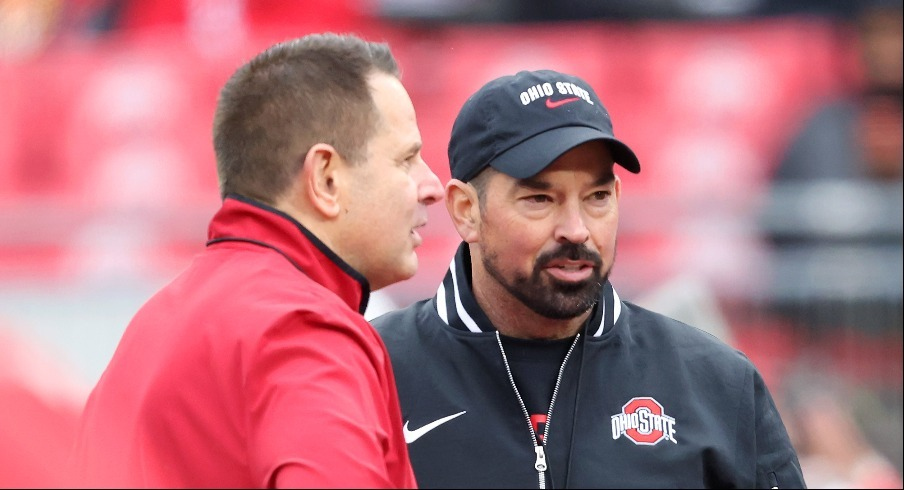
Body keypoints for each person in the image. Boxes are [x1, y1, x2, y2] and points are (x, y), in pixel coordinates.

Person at [372, 69, 807, 488]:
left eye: (597, 197)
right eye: (540, 198)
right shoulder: (370, 372)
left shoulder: (716, 383)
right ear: (466, 211)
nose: (577, 229)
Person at [70, 32, 443, 488]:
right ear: (326, 179)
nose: (433, 186)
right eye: (406, 160)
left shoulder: (155, 324)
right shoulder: (302, 329)